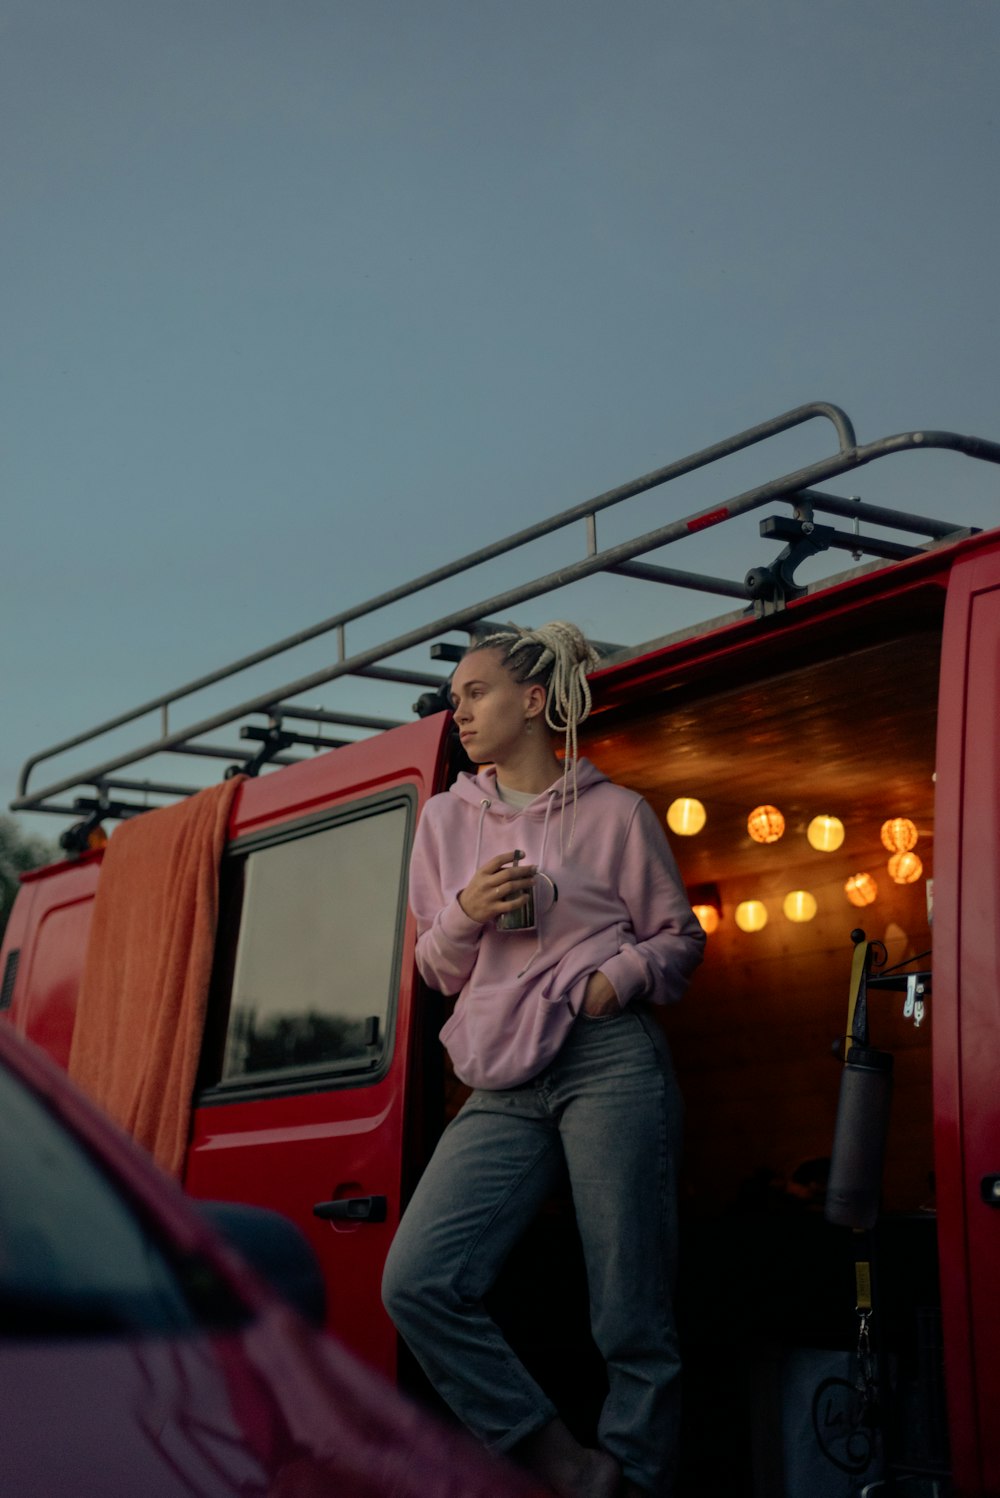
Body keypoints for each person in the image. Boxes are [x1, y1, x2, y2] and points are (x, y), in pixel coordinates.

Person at [382, 621, 705, 1498]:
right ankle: (556, 1462)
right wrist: (467, 911)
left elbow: (680, 938)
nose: (461, 713)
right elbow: (436, 968)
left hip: (607, 1057)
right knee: (418, 1281)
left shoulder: (616, 814)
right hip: (500, 1078)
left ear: (533, 701)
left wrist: (618, 978)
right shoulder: (447, 820)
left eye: (475, 693)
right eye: (454, 701)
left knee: (629, 1307)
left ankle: (636, 1480)